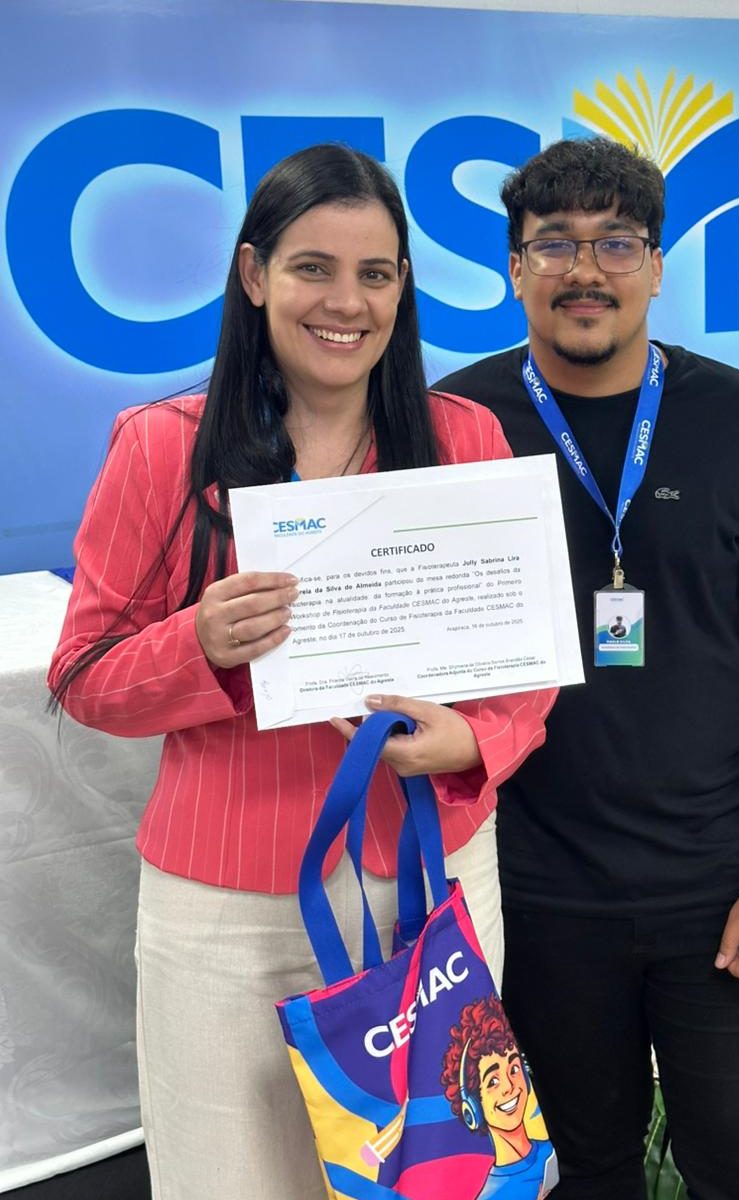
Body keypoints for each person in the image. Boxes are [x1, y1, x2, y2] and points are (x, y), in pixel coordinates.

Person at [48, 144, 553, 1200]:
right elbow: (84, 675)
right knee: (229, 1178)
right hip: (228, 907)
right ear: (253, 274)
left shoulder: (465, 439)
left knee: (437, 1177)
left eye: (374, 274)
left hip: (432, 879)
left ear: (403, 288)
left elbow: (527, 663)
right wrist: (195, 644)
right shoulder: (161, 448)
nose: (345, 303)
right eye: (312, 268)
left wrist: (477, 739)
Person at [434, 137, 739, 1200]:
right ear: (514, 268)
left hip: (722, 878)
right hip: (536, 888)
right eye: (554, 244)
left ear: (657, 266)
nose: (586, 270)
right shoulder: (453, 428)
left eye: (616, 243)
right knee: (583, 1172)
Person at [442, 995, 559, 1199]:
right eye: (493, 1081)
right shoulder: (491, 1195)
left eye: (514, 1069)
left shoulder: (549, 1153)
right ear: (473, 1108)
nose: (509, 1086)